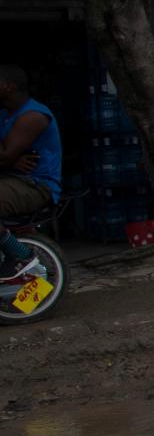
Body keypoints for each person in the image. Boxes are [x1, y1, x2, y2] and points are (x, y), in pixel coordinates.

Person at [0, 64, 60, 282]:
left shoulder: (33, 116)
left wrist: (9, 160)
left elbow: (4, 155)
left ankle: (23, 258)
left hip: (36, 185)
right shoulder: (5, 115)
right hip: (12, 178)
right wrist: (11, 161)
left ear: (7, 86)